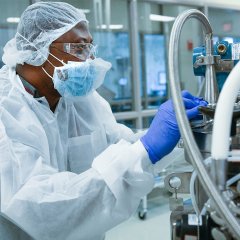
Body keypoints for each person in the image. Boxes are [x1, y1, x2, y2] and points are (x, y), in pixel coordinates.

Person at [0, 2, 207, 240]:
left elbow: (121, 145)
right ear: (38, 50)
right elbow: (41, 208)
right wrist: (146, 148)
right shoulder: (6, 111)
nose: (91, 59)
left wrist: (180, 134)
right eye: (79, 47)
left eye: (90, 47)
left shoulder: (79, 99)